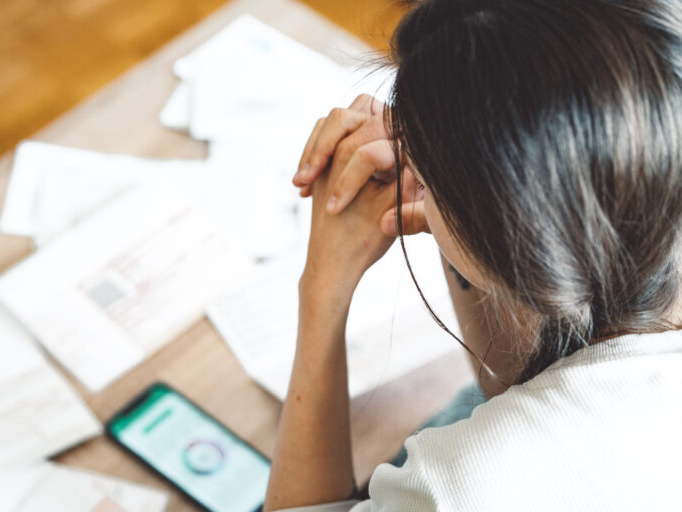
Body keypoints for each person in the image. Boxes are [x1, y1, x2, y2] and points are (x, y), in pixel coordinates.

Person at [262, 0, 682, 510]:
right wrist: (455, 188)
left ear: (503, 237)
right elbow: (509, 379)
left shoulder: (460, 484)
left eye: (426, 177)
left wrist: (323, 288)